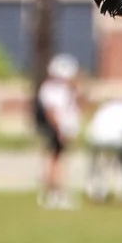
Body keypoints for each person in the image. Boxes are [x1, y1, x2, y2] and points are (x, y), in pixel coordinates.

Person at [34, 52, 82, 209]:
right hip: (55, 128)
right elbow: (51, 111)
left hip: (62, 128)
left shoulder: (65, 89)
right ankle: (54, 192)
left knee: (60, 159)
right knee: (54, 159)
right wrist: (59, 129)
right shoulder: (50, 89)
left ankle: (57, 190)